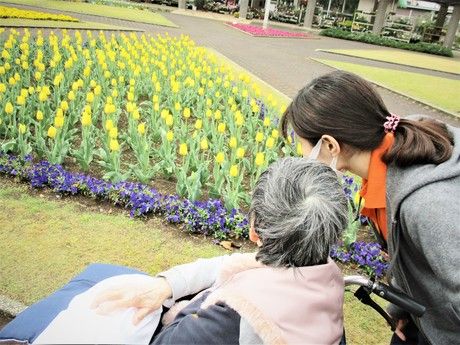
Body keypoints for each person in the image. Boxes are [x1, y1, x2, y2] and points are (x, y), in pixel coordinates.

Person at [94, 71, 460, 344]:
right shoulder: (391, 156)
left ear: (329, 145)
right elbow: (409, 259)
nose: (301, 155)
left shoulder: (427, 204)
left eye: (302, 145)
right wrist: (406, 313)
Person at [94, 157, 348, 344]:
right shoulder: (325, 279)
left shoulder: (231, 318)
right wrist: (169, 284)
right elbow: (236, 264)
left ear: (255, 230)